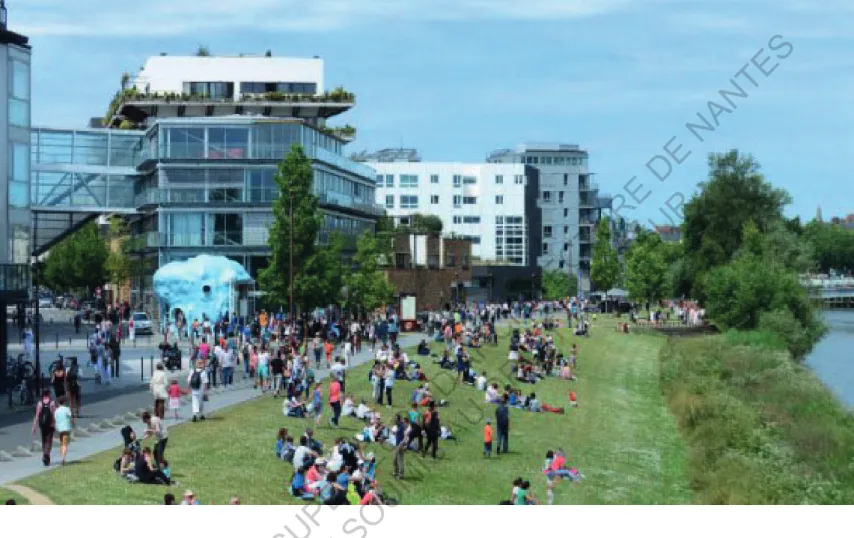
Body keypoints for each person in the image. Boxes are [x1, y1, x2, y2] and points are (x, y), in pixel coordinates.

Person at [32, 389, 57, 466]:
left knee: (43, 439)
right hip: (50, 424)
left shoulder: (40, 403)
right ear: (49, 394)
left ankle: (45, 455)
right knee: (49, 440)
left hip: (42, 425)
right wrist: (55, 423)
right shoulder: (52, 403)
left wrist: (34, 426)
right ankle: (46, 454)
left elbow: (37, 415)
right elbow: (54, 414)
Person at [54, 396, 74, 465]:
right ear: (65, 402)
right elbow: (71, 416)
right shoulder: (67, 409)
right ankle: (63, 458)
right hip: (66, 428)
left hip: (59, 428)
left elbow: (55, 419)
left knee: (61, 443)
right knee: (65, 444)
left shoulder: (56, 410)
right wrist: (73, 424)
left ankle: (61, 457)